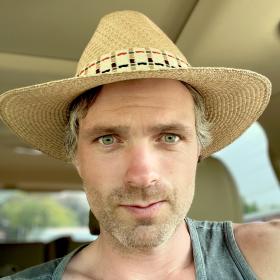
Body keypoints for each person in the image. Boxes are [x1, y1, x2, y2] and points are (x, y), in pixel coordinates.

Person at [0, 10, 279, 280]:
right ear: (77, 157)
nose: (142, 177)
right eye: (108, 139)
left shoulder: (269, 254)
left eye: (169, 137)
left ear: (198, 150)